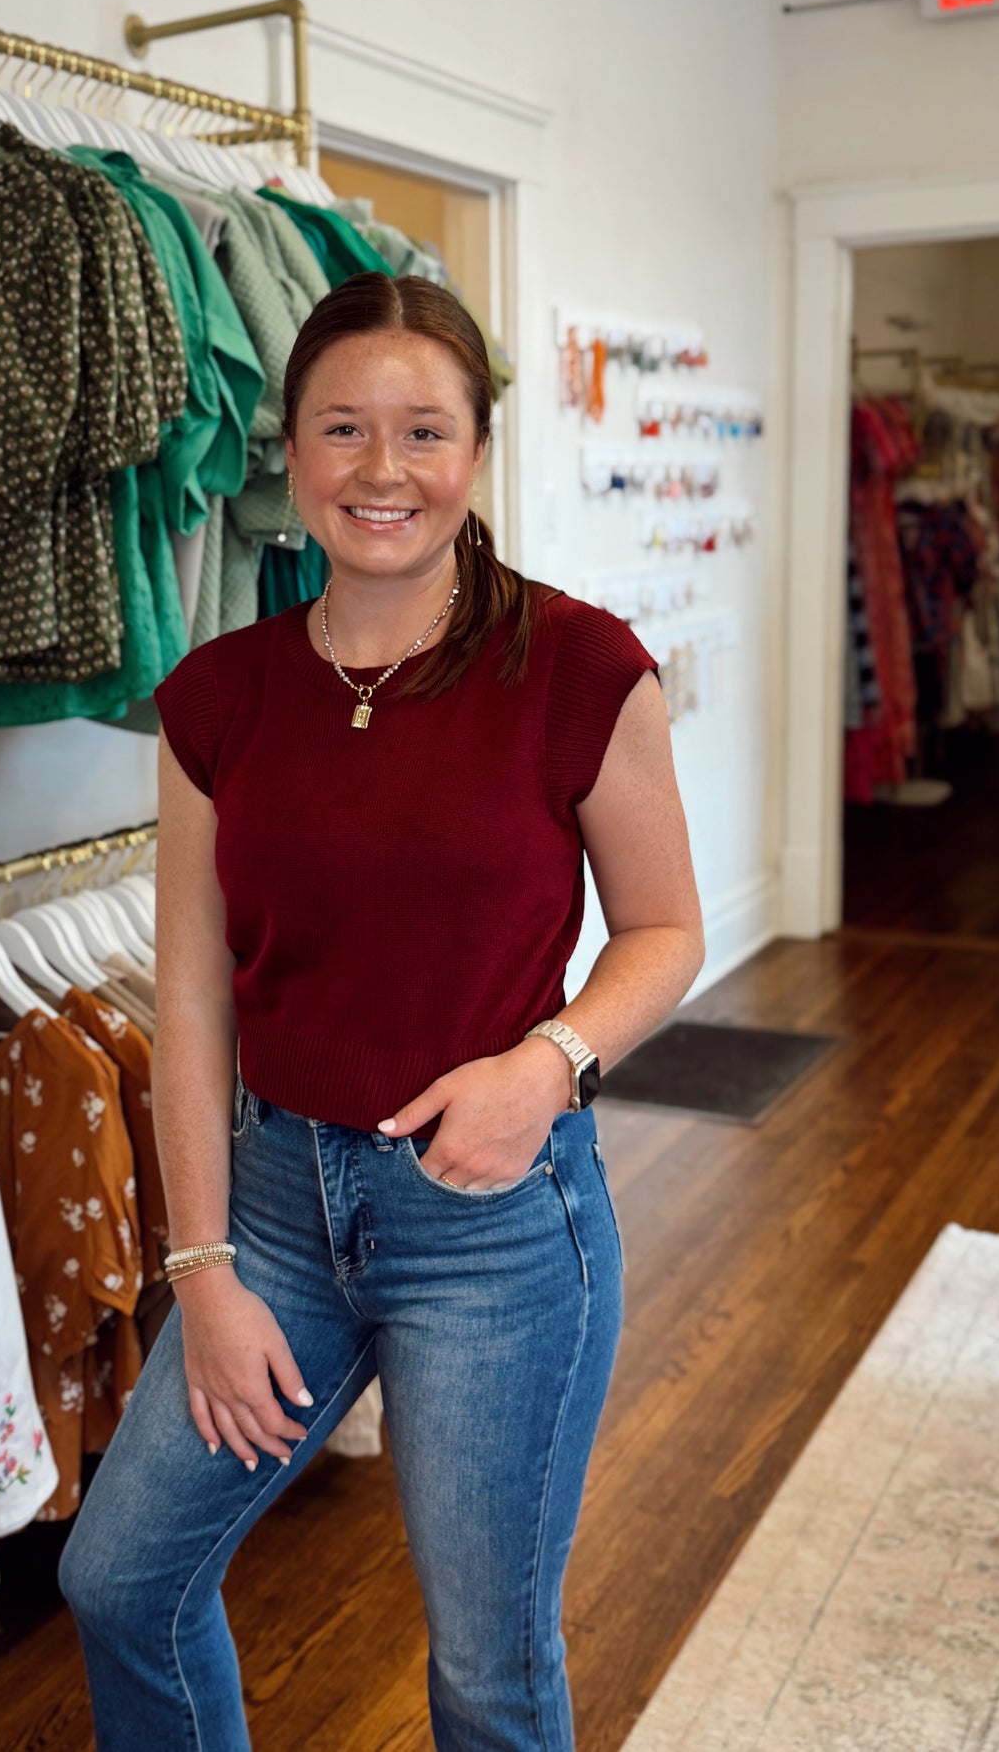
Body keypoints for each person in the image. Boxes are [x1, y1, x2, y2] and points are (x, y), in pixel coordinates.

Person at [59, 273, 704, 1750]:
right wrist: (202, 1271)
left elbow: (664, 932)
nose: (382, 468)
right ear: (289, 450)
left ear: (476, 451)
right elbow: (191, 995)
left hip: (493, 1224)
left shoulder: (577, 666)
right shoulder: (216, 699)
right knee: (121, 1577)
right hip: (274, 1208)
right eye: (342, 428)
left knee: (488, 1666)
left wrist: (544, 1068)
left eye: (423, 430)